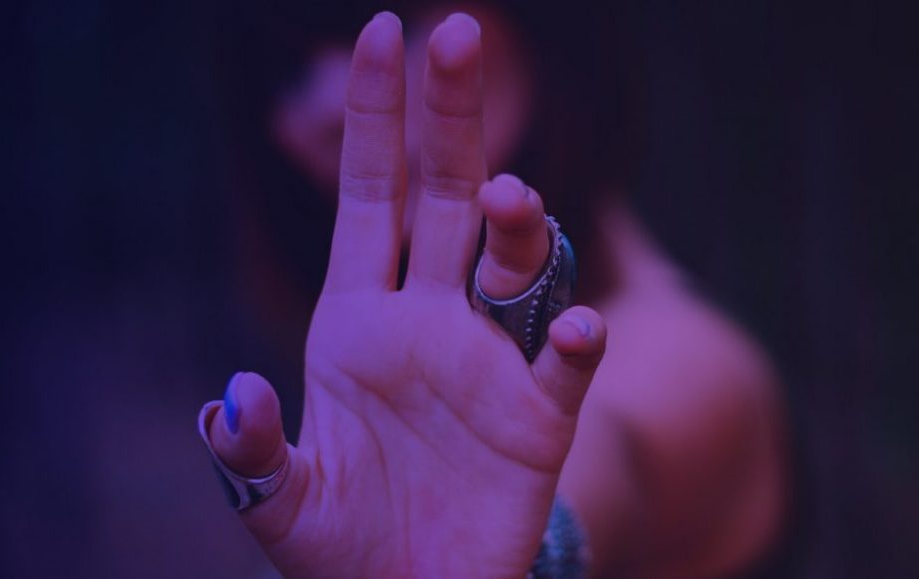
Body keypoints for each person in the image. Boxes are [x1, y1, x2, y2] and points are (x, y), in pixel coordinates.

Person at [200, 6, 786, 577]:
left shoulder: (687, 359)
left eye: (394, 19)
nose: (329, 103)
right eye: (286, 71)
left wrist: (514, 554)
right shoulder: (376, 352)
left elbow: (602, 459)